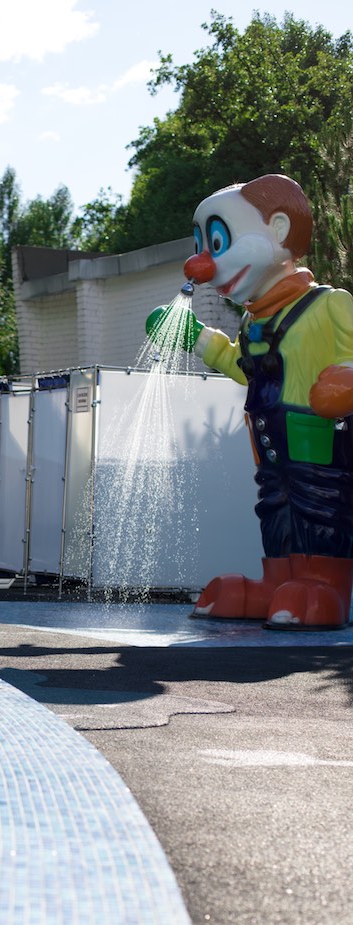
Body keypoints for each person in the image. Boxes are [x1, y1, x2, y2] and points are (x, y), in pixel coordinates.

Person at [147, 173, 353, 628]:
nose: (201, 265)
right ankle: (277, 583)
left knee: (321, 508)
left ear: (278, 230)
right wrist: (197, 338)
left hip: (320, 446)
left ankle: (327, 585)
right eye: (201, 245)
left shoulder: (330, 306)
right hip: (271, 447)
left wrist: (344, 382)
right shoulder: (253, 323)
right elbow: (246, 367)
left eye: (218, 242)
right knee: (276, 509)